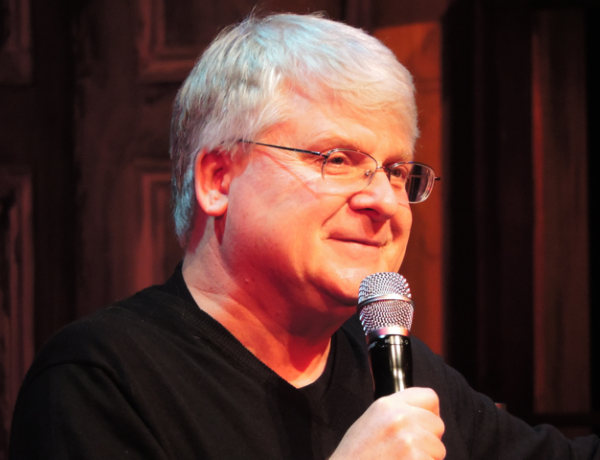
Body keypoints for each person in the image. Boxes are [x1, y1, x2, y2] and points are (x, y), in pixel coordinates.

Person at [8, 13, 600, 460]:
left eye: (397, 171)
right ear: (218, 179)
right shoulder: (98, 382)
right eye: (337, 159)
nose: (384, 201)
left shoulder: (398, 368)